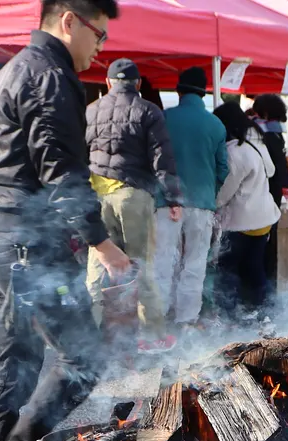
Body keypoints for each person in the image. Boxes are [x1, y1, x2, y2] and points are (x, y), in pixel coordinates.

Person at [0, 0, 128, 441]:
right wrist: (102, 242)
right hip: (27, 245)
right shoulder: (49, 77)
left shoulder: (17, 68)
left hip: (0, 236)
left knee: (17, 362)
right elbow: (60, 170)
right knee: (85, 357)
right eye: (99, 35)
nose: (100, 48)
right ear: (69, 21)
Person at [85, 58, 181, 354]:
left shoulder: (91, 110)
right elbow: (162, 158)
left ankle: (89, 334)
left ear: (107, 82)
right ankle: (152, 336)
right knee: (141, 265)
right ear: (138, 84)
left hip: (97, 196)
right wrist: (172, 198)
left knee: (98, 264)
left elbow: (79, 153)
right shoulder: (148, 110)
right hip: (134, 195)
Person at [153, 67, 229, 334]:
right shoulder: (215, 124)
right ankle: (186, 319)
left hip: (165, 201)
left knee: (163, 261)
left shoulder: (163, 118)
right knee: (195, 263)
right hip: (202, 202)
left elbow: (152, 159)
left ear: (178, 90)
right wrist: (210, 190)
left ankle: (158, 318)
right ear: (204, 93)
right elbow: (223, 168)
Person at [212, 102, 281, 321]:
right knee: (255, 268)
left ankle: (229, 317)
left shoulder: (235, 152)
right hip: (264, 218)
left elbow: (225, 192)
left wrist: (211, 204)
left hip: (241, 221)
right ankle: (264, 314)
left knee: (228, 271)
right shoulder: (257, 142)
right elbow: (271, 170)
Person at [252, 94, 288, 296]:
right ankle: (268, 288)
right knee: (269, 239)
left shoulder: (264, 135)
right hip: (275, 192)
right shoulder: (277, 132)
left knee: (262, 243)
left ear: (264, 112)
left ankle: (263, 291)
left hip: (265, 191)